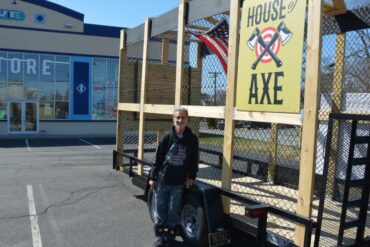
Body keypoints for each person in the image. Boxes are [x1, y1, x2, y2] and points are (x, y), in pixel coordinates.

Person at [149, 107, 199, 247]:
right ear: (173, 119)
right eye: (178, 117)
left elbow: (194, 160)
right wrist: (152, 177)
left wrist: (191, 177)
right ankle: (160, 237)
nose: (180, 120)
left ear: (187, 119)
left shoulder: (192, 139)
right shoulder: (167, 137)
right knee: (161, 209)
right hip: (163, 180)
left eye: (183, 117)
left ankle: (170, 237)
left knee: (174, 210)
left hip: (178, 183)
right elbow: (158, 158)